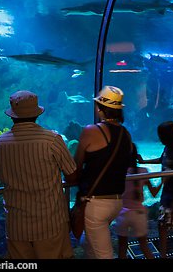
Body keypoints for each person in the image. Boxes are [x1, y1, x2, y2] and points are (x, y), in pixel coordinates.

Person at [0, 90, 77, 259]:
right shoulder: (51, 140)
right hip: (50, 223)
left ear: (12, 115)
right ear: (37, 113)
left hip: (16, 225)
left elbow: (1, 176)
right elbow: (72, 176)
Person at [73, 85, 134, 259]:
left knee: (104, 255)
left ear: (100, 108)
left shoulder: (91, 131)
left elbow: (76, 166)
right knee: (88, 243)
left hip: (96, 204)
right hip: (116, 202)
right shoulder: (126, 134)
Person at [138, 120, 173, 258]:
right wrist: (144, 161)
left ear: (167, 136)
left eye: (160, 135)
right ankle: (164, 254)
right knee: (163, 224)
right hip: (167, 193)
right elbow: (161, 159)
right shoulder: (167, 149)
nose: (159, 137)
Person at [115, 143, 161, 259]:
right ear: (137, 156)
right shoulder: (143, 171)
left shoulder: (118, 172)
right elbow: (154, 193)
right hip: (139, 214)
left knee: (122, 249)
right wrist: (163, 181)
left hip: (122, 214)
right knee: (144, 247)